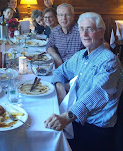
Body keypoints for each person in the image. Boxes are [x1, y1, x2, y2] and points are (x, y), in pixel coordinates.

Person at [44, 12, 123, 151]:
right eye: (81, 29)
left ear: (101, 32)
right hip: (77, 119)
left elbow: (97, 94)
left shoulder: (109, 61)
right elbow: (59, 71)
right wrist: (60, 88)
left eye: (90, 29)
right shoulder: (81, 55)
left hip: (96, 129)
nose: (84, 34)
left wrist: (67, 117)